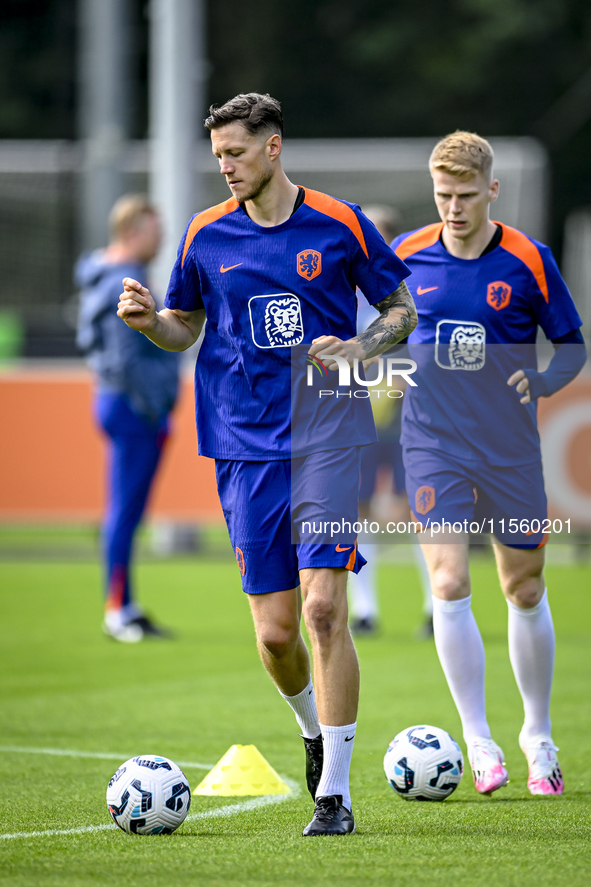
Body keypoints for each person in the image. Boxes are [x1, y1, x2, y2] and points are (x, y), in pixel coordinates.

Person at [117, 93, 416, 835]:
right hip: (243, 449)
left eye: (236, 153)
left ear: (273, 147)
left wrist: (358, 350)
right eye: (218, 155)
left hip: (330, 436)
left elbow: (401, 312)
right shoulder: (204, 234)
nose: (225, 167)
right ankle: (313, 729)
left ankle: (335, 795)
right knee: (277, 634)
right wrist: (150, 321)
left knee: (322, 609)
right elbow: (183, 325)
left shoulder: (339, 224)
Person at [393, 131, 587, 796]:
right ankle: (476, 738)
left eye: (465, 195)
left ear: (490, 192)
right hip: (431, 444)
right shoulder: (405, 257)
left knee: (523, 588)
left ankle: (537, 734)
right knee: (446, 583)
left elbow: (569, 345)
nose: (452, 206)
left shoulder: (527, 260)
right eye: (443, 194)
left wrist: (542, 382)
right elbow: (380, 328)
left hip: (507, 446)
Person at [76, 194, 179, 643]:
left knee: (127, 512)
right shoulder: (124, 277)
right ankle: (117, 611)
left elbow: (91, 341)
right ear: (134, 230)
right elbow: (122, 356)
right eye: (155, 231)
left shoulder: (103, 274)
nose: (160, 241)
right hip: (134, 408)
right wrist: (154, 403)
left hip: (122, 403)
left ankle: (126, 604)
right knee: (123, 513)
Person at [349, 205, 433, 638]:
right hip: (359, 420)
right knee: (358, 513)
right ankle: (365, 610)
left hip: (405, 422)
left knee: (417, 511)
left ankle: (435, 607)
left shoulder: (411, 293)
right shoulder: (344, 292)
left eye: (375, 236)